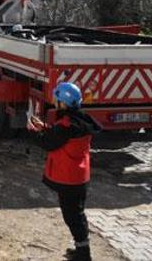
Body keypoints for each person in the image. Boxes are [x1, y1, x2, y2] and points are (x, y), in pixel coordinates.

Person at [27, 82, 101, 261]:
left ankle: (84, 255)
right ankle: (82, 250)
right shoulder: (81, 121)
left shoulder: (65, 126)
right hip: (80, 177)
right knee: (77, 214)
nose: (54, 101)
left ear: (63, 103)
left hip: (68, 179)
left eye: (56, 99)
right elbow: (59, 136)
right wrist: (45, 128)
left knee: (72, 217)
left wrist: (32, 131)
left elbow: (48, 143)